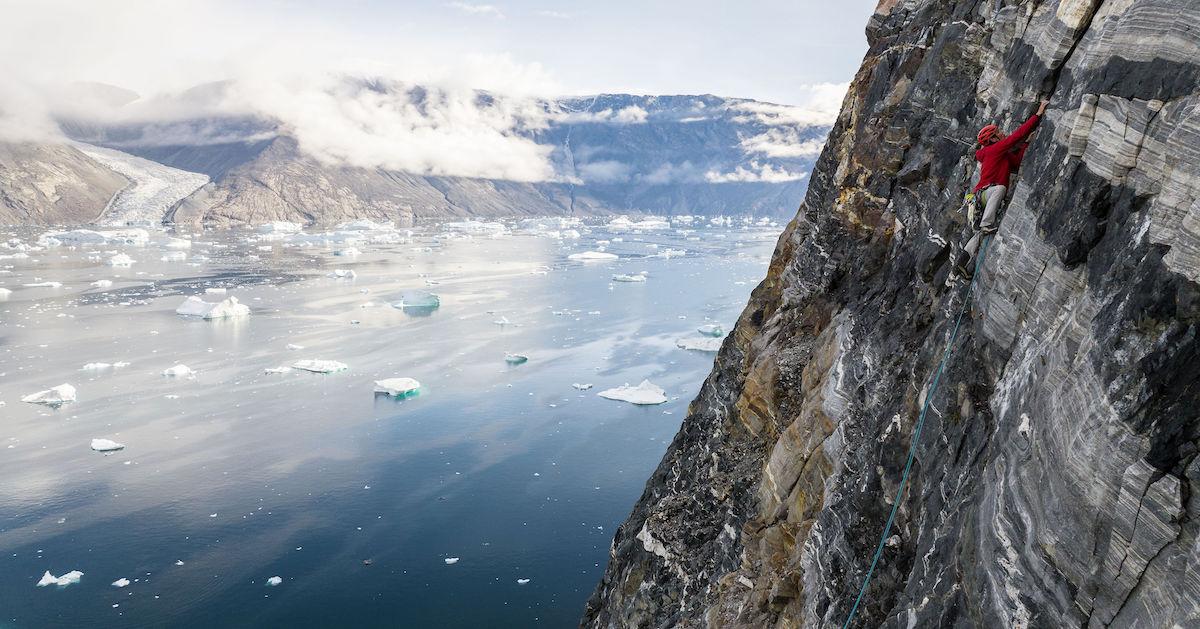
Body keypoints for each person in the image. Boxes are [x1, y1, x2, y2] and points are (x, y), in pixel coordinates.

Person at [955, 99, 1050, 276]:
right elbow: (1017, 135)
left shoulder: (999, 154)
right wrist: (1038, 113)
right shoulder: (995, 149)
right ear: (992, 139)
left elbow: (1016, 163)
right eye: (998, 132)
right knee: (1000, 189)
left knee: (979, 236)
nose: (1002, 133)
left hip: (981, 199)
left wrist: (1026, 144)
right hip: (986, 194)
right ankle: (986, 224)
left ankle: (962, 262)